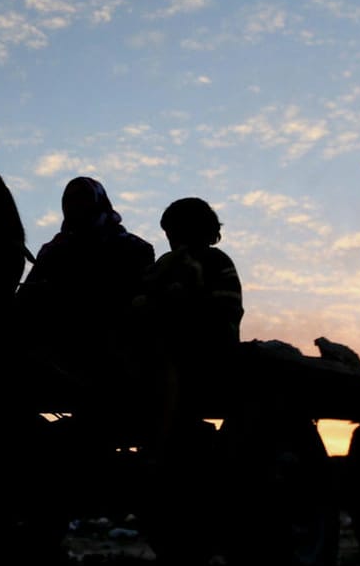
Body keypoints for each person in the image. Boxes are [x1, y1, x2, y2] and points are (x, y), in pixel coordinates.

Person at [14, 177, 155, 389]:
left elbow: (138, 301)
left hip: (111, 343)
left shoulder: (133, 247)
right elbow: (26, 298)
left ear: (98, 201)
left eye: (82, 198)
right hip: (55, 340)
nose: (74, 205)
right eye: (69, 199)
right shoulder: (53, 249)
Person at [135, 197, 244, 421]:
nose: (171, 238)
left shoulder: (215, 261)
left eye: (175, 230)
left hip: (205, 356)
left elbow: (223, 316)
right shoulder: (165, 263)